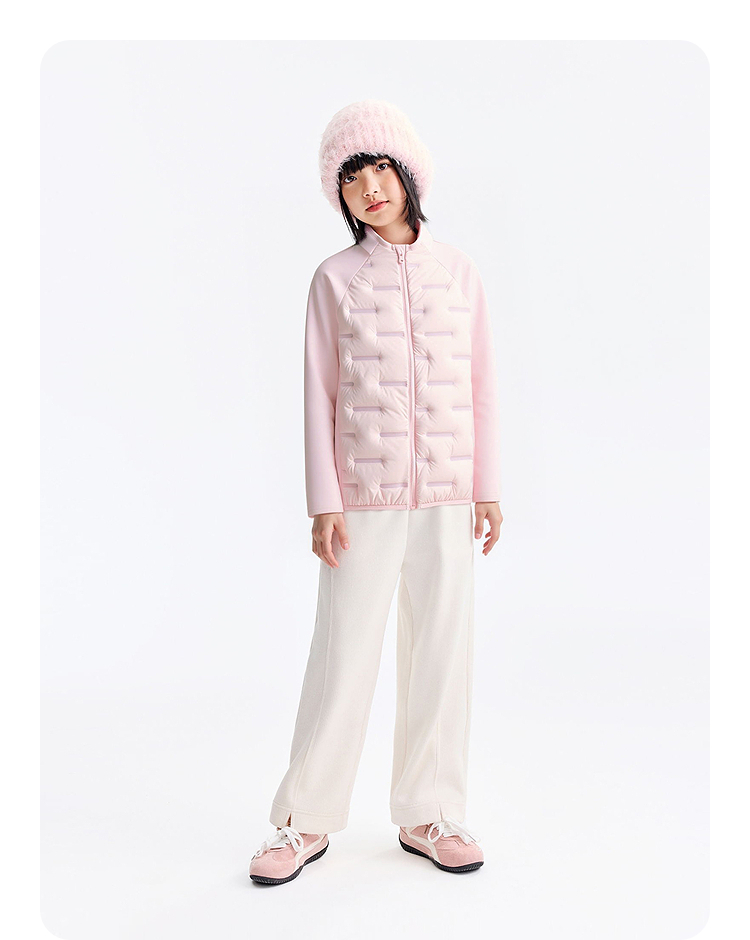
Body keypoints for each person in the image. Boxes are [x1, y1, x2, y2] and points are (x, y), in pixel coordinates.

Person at [249, 99, 503, 886]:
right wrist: (323, 501)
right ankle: (304, 820)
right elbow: (319, 391)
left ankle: (430, 813)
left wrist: (487, 487)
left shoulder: (458, 272)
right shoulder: (334, 280)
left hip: (447, 498)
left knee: (442, 654)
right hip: (362, 501)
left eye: (381, 169)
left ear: (408, 174)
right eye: (351, 178)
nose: (370, 188)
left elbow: (481, 385)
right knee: (343, 656)